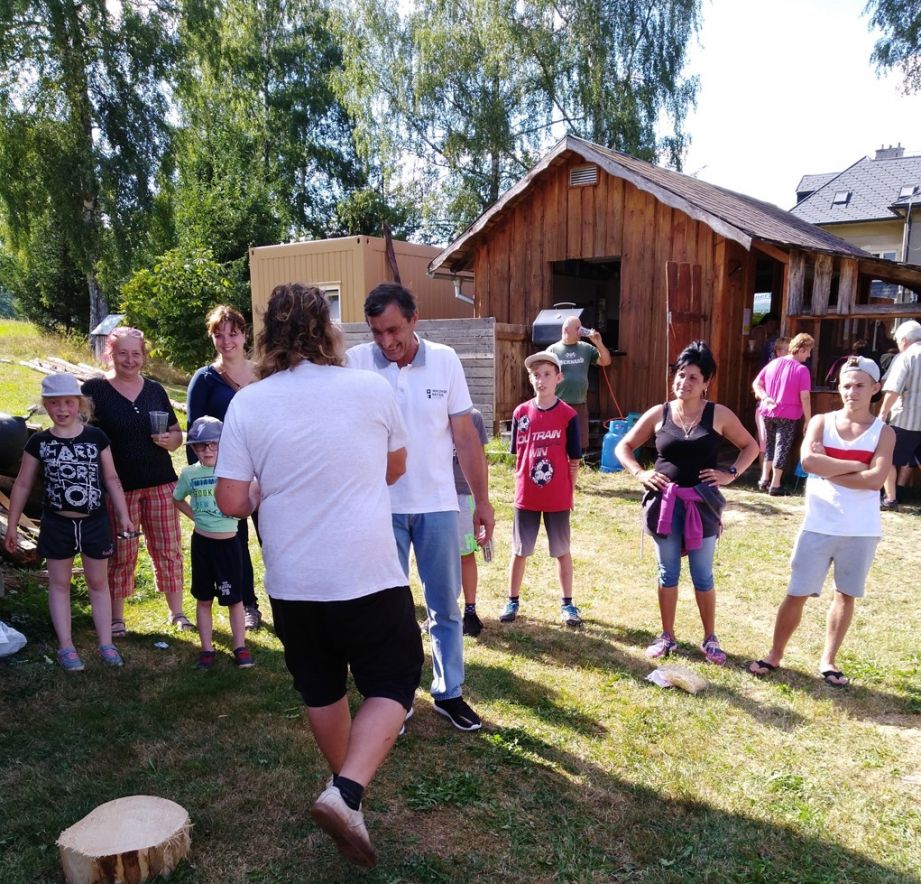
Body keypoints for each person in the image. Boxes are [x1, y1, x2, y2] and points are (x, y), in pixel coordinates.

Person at [214, 283, 421, 869]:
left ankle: (345, 795)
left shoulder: (248, 403)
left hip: (292, 580)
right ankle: (347, 793)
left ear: (267, 336)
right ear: (328, 330)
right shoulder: (370, 387)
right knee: (395, 678)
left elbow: (231, 502)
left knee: (321, 686)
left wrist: (266, 486)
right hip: (366, 571)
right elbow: (396, 467)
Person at [347, 283, 495, 733]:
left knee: (445, 606)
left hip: (438, 505)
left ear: (415, 319)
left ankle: (449, 693)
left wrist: (482, 502)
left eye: (394, 329)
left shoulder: (446, 360)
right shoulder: (355, 363)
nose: (386, 341)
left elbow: (466, 438)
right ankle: (394, 697)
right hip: (379, 507)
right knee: (386, 609)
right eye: (376, 332)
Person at [748, 356, 895, 686]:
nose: (852, 392)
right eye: (846, 385)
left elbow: (876, 481)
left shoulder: (883, 433)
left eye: (859, 386)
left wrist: (830, 467)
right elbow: (809, 463)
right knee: (797, 592)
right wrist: (858, 465)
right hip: (818, 524)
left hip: (861, 530)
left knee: (845, 594)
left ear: (875, 388)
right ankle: (774, 654)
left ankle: (828, 661)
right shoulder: (821, 422)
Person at [614, 341, 759, 664]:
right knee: (667, 572)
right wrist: (639, 473)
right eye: (681, 374)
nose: (684, 382)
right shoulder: (660, 413)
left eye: (693, 377)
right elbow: (624, 446)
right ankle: (667, 636)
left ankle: (710, 638)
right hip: (664, 506)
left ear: (706, 382)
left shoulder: (718, 414)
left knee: (702, 574)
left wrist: (730, 473)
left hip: (702, 506)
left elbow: (751, 446)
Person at [4, 374, 133, 671]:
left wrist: (124, 515)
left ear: (79, 404)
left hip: (95, 523)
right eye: (54, 403)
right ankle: (66, 646)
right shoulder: (39, 442)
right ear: (45, 405)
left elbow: (112, 478)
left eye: (68, 402)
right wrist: (11, 526)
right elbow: (22, 484)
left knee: (98, 583)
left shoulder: (96, 438)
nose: (62, 409)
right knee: (59, 584)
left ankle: (106, 643)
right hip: (57, 524)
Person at [82, 328, 191, 636]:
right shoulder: (94, 389)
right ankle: (117, 618)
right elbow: (82, 435)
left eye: (136, 354)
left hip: (160, 483)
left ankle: (177, 612)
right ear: (110, 354)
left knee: (168, 549)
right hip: (118, 489)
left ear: (144, 356)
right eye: (122, 353)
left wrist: (171, 440)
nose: (129, 360)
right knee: (121, 554)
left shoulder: (155, 389)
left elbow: (176, 434)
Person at [187, 305, 263, 630]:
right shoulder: (205, 379)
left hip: (267, 469)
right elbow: (194, 432)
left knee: (276, 538)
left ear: (244, 334)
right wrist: (202, 481)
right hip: (228, 473)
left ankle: (288, 600)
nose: (226, 340)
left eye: (233, 333)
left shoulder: (264, 373)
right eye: (219, 334)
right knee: (236, 542)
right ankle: (248, 605)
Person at [499, 351, 582, 627]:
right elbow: (518, 457)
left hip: (557, 497)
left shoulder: (568, 415)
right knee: (519, 550)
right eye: (536, 375)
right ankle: (512, 600)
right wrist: (519, 487)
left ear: (559, 377)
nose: (541, 380)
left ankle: (568, 603)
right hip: (527, 496)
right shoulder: (520, 413)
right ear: (530, 379)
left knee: (562, 550)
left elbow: (574, 461)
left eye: (547, 374)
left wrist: (569, 492)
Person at [173, 417, 254, 670]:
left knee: (235, 599)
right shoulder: (189, 473)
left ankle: (240, 646)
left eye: (213, 445)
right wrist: (194, 516)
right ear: (193, 448)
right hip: (202, 546)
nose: (207, 451)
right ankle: (206, 648)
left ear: (224, 445)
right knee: (204, 598)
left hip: (229, 545)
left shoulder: (233, 472)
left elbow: (250, 493)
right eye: (200, 446)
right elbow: (177, 498)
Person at [752, 332, 814, 495]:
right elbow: (805, 397)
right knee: (782, 447)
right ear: (801, 349)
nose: (808, 355)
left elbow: (757, 384)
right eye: (808, 351)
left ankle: (764, 479)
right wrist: (808, 419)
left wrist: (765, 398)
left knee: (770, 445)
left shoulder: (773, 363)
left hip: (768, 411)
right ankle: (775, 484)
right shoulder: (802, 370)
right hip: (788, 413)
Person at [547, 316, 612, 448]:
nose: (581, 331)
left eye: (581, 328)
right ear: (566, 330)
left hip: (580, 404)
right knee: (557, 442)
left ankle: (576, 461)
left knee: (579, 444)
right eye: (577, 328)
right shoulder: (553, 350)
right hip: (558, 404)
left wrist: (598, 343)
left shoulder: (586, 348)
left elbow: (606, 361)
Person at [879, 319, 921, 509]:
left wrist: (882, 413)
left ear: (904, 340)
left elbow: (894, 389)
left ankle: (890, 498)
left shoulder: (906, 357)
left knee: (887, 456)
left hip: (906, 418)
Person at [456, 407, 489, 638]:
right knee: (437, 559)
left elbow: (481, 460)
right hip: (433, 496)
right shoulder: (429, 411)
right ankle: (439, 610)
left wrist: (482, 500)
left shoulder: (473, 416)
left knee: (466, 554)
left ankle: (470, 611)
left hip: (464, 496)